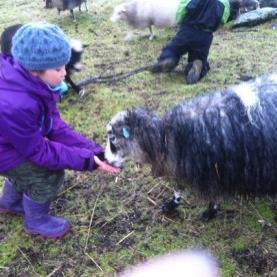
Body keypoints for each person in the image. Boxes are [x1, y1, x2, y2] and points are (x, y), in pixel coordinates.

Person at [0, 22, 120, 239]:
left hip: (11, 143)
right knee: (47, 173)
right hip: (5, 152)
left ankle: (10, 202)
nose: (65, 73)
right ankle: (36, 221)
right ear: (35, 70)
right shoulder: (16, 104)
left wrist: (94, 151)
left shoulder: (33, 84)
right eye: (58, 69)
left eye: (65, 65)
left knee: (27, 168)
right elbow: (38, 152)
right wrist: (87, 161)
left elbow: (53, 125)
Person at [151, 0, 240, 84]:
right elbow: (223, 20)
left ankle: (168, 59)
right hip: (205, 36)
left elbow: (181, 10)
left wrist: (180, 21)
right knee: (199, 57)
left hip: (187, 30)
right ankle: (197, 65)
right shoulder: (223, 2)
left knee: (173, 49)